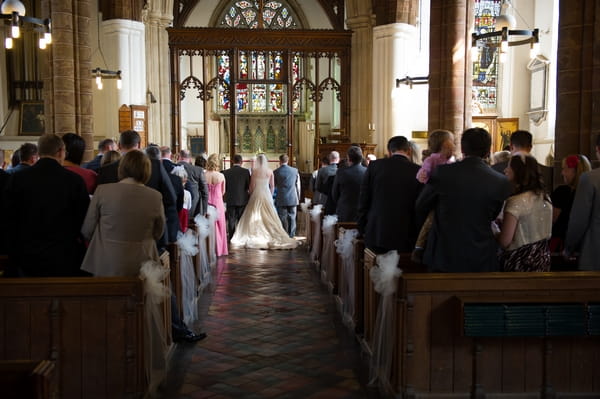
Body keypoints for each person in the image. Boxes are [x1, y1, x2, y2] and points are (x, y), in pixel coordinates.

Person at [416, 127, 511, 272]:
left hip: (444, 254)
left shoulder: (443, 172)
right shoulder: (500, 181)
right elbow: (494, 214)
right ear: (487, 151)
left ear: (463, 149)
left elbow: (421, 205)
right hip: (481, 255)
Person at [4, 134, 90, 277]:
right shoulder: (74, 181)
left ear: (39, 152)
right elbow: (83, 217)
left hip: (27, 255)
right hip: (64, 254)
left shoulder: (18, 179)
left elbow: (9, 216)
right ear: (61, 152)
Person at [81, 150, 165, 276]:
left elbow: (87, 229)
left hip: (106, 262)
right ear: (147, 170)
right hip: (142, 264)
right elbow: (159, 231)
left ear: (122, 168)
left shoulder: (102, 191)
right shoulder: (155, 196)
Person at [97, 130, 179, 247]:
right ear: (140, 145)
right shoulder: (155, 165)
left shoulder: (106, 171)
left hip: (116, 238)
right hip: (149, 237)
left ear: (119, 146)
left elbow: (100, 207)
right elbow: (171, 198)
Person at [357, 136, 423, 254]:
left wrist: (362, 227)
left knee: (373, 268)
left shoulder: (375, 166)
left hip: (377, 230)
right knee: (403, 269)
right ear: (409, 150)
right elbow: (420, 206)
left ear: (389, 151)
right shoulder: (418, 170)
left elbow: (364, 199)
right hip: (405, 233)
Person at [494, 153, 552, 271]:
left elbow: (505, 241)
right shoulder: (545, 197)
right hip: (542, 259)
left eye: (509, 166)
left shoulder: (515, 201)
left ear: (518, 171)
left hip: (520, 262)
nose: (505, 170)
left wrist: (494, 230)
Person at [230, 154, 297, 249]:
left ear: (257, 161)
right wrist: (270, 195)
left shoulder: (255, 172)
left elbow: (252, 186)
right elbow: (272, 186)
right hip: (266, 194)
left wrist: (251, 194)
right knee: (270, 215)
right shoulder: (270, 171)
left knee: (253, 214)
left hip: (256, 194)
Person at [412, 130, 456, 262]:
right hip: (435, 197)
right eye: (452, 141)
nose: (454, 144)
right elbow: (422, 173)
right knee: (430, 221)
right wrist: (424, 175)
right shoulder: (433, 158)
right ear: (445, 143)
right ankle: (419, 248)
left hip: (448, 196)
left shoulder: (450, 158)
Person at [564, 134, 600, 270]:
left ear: (597, 149)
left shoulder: (590, 179)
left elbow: (578, 220)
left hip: (595, 255)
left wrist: (569, 248)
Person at [549, 154, 591, 253]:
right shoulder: (591, 192)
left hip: (563, 246)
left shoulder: (562, 192)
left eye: (564, 169)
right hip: (586, 248)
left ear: (574, 171)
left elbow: (552, 220)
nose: (562, 173)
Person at [331, 146, 366, 222]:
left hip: (345, 211)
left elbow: (334, 194)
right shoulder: (367, 172)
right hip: (363, 212)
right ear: (361, 158)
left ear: (348, 158)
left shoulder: (341, 172)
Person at [222, 154, 250, 240]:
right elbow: (248, 185)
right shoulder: (245, 172)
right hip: (242, 199)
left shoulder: (226, 172)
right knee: (241, 220)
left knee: (231, 219)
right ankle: (240, 237)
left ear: (232, 161)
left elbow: (225, 187)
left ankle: (231, 237)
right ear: (241, 162)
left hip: (230, 199)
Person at [205, 154, 228, 256]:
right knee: (219, 226)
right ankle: (219, 250)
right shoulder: (221, 176)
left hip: (207, 202)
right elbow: (223, 191)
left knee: (207, 225)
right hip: (218, 202)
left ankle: (208, 250)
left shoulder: (204, 175)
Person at [273, 154, 301, 238]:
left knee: (282, 217)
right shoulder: (295, 171)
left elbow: (274, 185)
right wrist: (298, 197)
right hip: (293, 197)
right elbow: (298, 186)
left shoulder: (276, 172)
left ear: (280, 161)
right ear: (288, 161)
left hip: (281, 197)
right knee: (292, 216)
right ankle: (291, 234)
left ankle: (284, 234)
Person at [178, 149, 208, 221]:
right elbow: (205, 192)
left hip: (175, 208)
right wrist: (204, 210)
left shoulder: (172, 168)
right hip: (194, 208)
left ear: (179, 157)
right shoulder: (198, 170)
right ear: (190, 159)